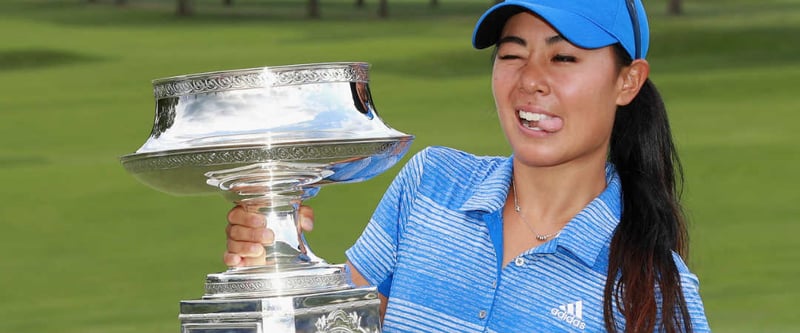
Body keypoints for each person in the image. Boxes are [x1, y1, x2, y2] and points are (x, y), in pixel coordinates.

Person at [224, 0, 711, 331]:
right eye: (512, 54)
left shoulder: (656, 287)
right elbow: (336, 325)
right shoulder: (431, 186)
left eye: (563, 58)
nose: (531, 81)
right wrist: (274, 260)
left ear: (628, 81)